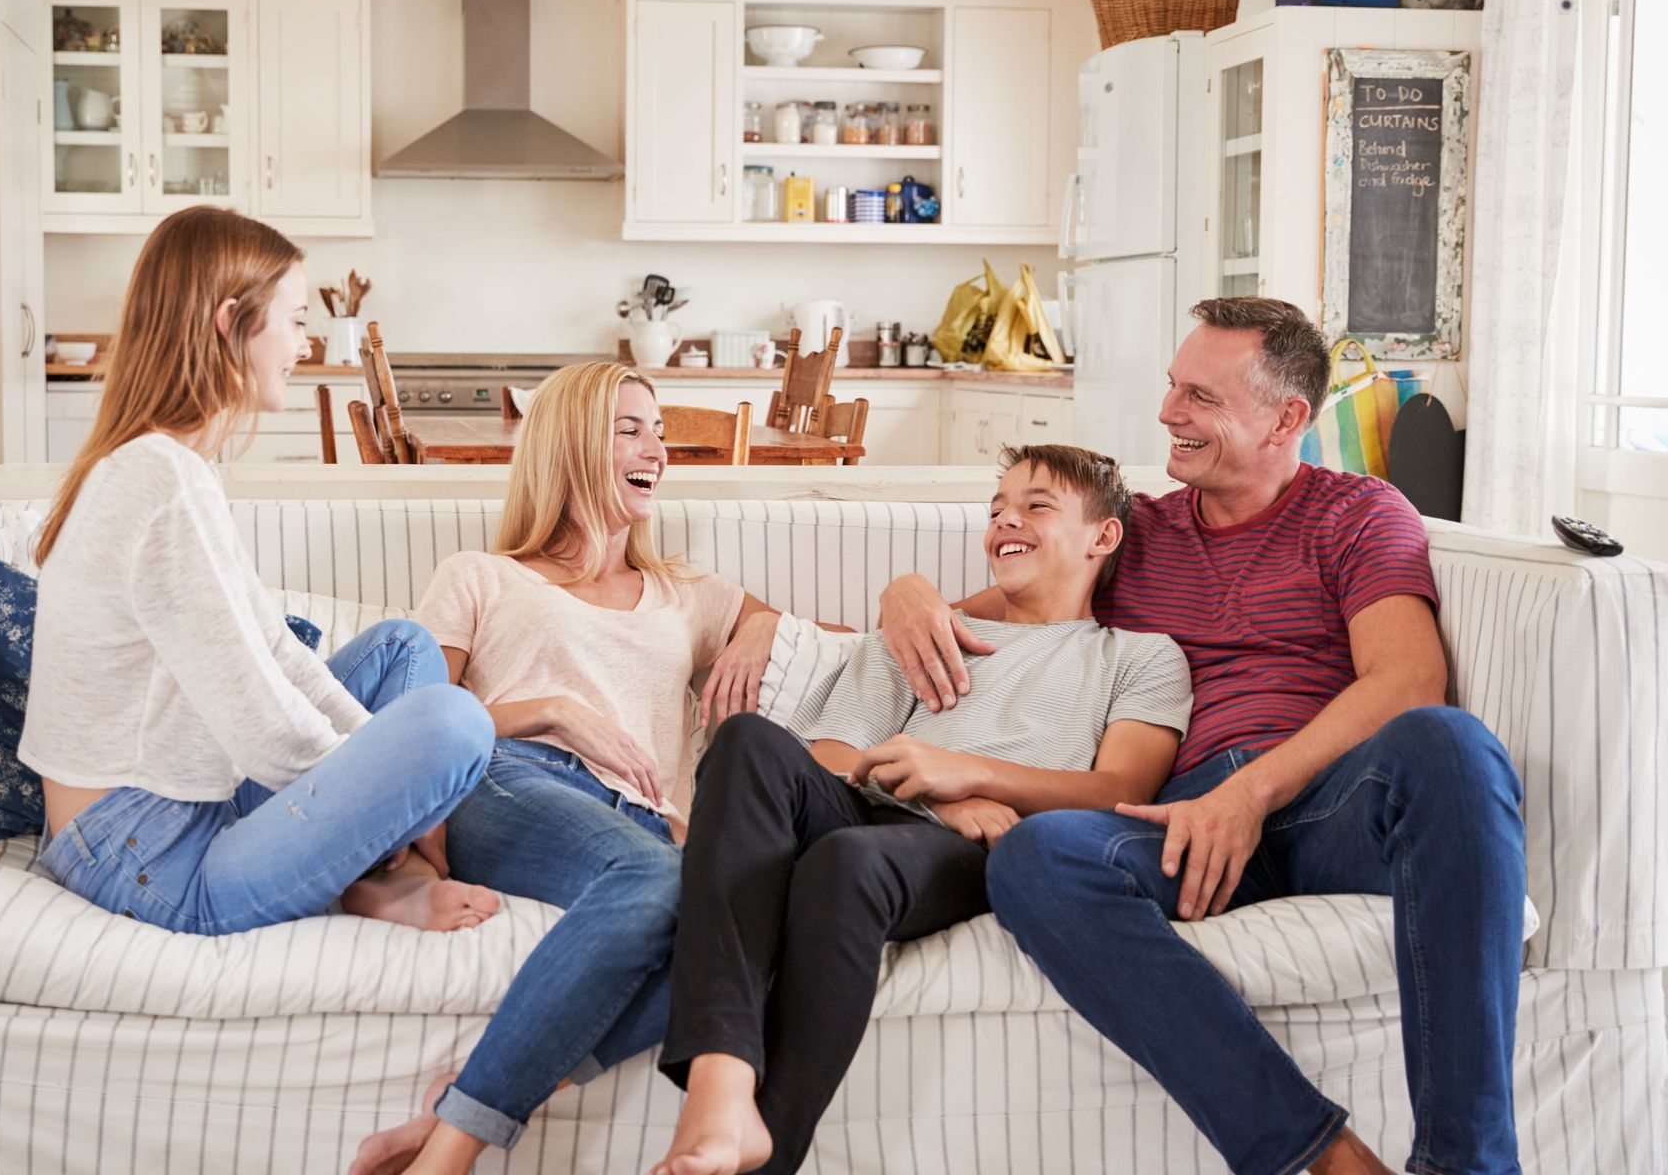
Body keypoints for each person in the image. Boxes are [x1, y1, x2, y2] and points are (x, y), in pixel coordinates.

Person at [877, 297, 1525, 1175]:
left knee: (1452, 746)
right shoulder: (1134, 535)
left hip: (1323, 802)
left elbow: (1407, 680)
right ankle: (1322, 1159)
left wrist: (1250, 795)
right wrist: (903, 593)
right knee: (1036, 857)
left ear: (1286, 418)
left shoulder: (1359, 514)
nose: (1167, 414)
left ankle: (1469, 1165)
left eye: (1201, 397)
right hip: (1181, 822)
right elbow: (974, 615)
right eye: (1173, 387)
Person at [649, 444, 1194, 1175]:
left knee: (848, 864)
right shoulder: (925, 633)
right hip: (876, 806)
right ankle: (720, 1083)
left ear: (1103, 536)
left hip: (977, 848)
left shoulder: (1139, 656)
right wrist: (935, 787)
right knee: (747, 739)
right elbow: (831, 759)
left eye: (1037, 505)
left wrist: (968, 779)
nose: (1007, 519)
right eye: (996, 507)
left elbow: (1116, 790)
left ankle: (765, 1152)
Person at [350, 362, 796, 1175]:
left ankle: (463, 1108)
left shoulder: (683, 591)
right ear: (568, 448)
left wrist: (764, 627)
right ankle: (451, 1155)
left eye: (659, 431)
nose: (655, 448)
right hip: (512, 778)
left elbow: (807, 633)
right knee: (661, 882)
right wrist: (550, 711)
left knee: (750, 935)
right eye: (629, 428)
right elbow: (410, 736)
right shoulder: (482, 577)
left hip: (643, 827)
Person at [21, 205, 499, 938]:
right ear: (230, 323)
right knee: (455, 724)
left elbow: (273, 649)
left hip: (169, 813)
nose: (305, 346)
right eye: (296, 319)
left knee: (405, 647)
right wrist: (378, 798)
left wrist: (377, 790)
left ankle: (370, 875)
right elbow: (260, 725)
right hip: (145, 858)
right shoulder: (161, 481)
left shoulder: (168, 466)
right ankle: (380, 878)